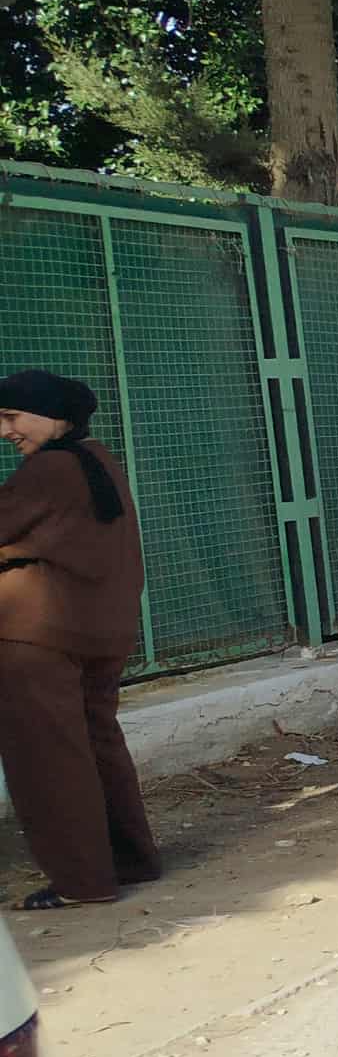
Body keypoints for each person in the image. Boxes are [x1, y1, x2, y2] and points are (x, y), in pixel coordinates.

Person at [0, 372, 161, 910]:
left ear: (51, 415)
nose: (6, 431)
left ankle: (81, 882)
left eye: (11, 417)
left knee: (47, 758)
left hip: (34, 634)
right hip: (103, 631)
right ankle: (131, 860)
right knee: (97, 743)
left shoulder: (48, 469)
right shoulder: (98, 459)